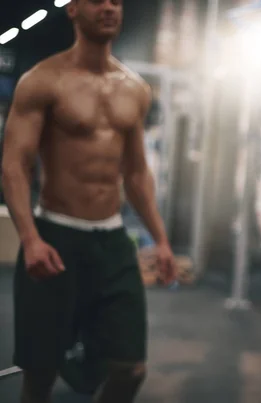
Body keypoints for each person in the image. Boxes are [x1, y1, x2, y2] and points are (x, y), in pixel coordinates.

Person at [1, 0, 177, 402]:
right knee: (39, 373)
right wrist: (29, 238)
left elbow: (135, 174)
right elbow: (14, 166)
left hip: (112, 241)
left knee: (130, 368)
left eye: (116, 1)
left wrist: (161, 241)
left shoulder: (135, 88)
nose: (110, 8)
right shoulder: (42, 80)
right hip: (55, 236)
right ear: (74, 9)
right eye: (98, 0)